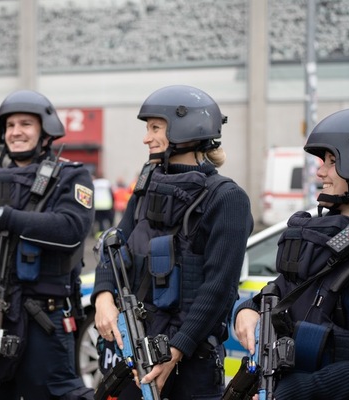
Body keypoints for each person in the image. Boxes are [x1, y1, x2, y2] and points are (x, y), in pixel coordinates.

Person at [233, 107, 349, 399]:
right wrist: (247, 310)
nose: (320, 171)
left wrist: (290, 394)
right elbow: (285, 292)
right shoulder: (333, 239)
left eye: (332, 161)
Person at [92, 85, 253, 399]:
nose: (146, 137)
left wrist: (176, 351)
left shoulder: (227, 198)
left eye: (155, 128)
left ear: (184, 128)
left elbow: (219, 289)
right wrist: (102, 299)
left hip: (191, 367)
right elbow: (115, 245)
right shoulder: (147, 181)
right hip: (136, 351)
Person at [0, 89, 95, 399]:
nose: (16, 132)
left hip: (45, 320)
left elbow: (72, 228)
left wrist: (8, 218)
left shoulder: (71, 176)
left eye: (26, 124)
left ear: (45, 130)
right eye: (10, 125)